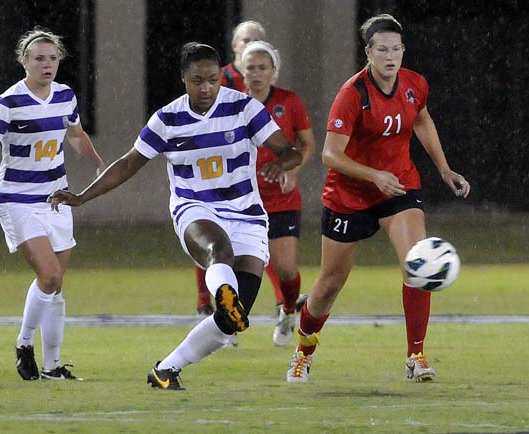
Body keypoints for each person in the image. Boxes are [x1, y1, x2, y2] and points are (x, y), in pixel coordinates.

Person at [47, 42, 302, 390]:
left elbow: (289, 150)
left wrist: (282, 163)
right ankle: (224, 291)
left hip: (246, 213)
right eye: (197, 80)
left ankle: (166, 369)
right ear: (183, 78)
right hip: (195, 209)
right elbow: (128, 164)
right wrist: (81, 197)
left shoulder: (243, 107)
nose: (206, 87)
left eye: (213, 79)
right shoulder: (168, 119)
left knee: (230, 322)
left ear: (221, 77)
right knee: (217, 251)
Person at [285, 14, 471, 384]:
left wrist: (444, 170)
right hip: (349, 195)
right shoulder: (352, 95)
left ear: (404, 51)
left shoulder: (414, 84)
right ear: (368, 52)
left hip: (399, 188)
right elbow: (329, 155)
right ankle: (303, 352)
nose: (390, 56)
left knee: (415, 266)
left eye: (396, 49)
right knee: (329, 286)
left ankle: (415, 355)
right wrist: (374, 176)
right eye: (382, 49)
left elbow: (421, 120)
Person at [0, 27, 106, 381]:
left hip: (56, 198)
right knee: (48, 275)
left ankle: (52, 366)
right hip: (17, 199)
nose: (47, 65)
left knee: (56, 284)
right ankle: (23, 344)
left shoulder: (66, 96)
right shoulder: (8, 102)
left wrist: (97, 162)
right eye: (39, 59)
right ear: (24, 62)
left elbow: (76, 135)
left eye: (52, 59)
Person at [195, 20, 285, 322]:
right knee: (210, 239)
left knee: (254, 245)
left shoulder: (268, 87)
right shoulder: (218, 81)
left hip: (258, 181)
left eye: (256, 40)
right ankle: (207, 303)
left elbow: (297, 141)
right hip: (220, 180)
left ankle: (278, 303)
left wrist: (289, 166)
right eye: (245, 40)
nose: (249, 45)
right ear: (234, 46)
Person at [241, 41, 316, 346]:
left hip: (281, 198)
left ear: (273, 71)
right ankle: (228, 321)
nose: (256, 74)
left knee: (285, 269)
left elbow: (307, 144)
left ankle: (287, 310)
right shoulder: (232, 104)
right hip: (243, 199)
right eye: (250, 68)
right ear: (242, 72)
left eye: (262, 68)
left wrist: (291, 172)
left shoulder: (289, 101)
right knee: (239, 266)